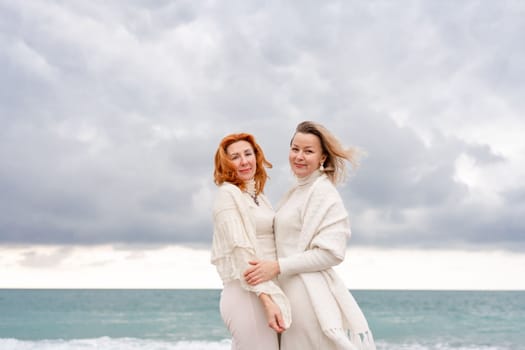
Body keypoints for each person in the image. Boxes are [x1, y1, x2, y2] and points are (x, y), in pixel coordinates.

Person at [244, 121, 376, 350]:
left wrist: (276, 266)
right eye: (295, 149)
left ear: (322, 157)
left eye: (308, 151)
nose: (299, 156)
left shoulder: (324, 194)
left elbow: (331, 254)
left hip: (308, 299)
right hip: (289, 296)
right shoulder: (296, 191)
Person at [211, 132, 292, 350]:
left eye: (248, 153)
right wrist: (267, 301)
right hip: (245, 294)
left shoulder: (260, 197)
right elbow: (241, 253)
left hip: (265, 288)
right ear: (226, 163)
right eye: (235, 157)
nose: (244, 161)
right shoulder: (228, 195)